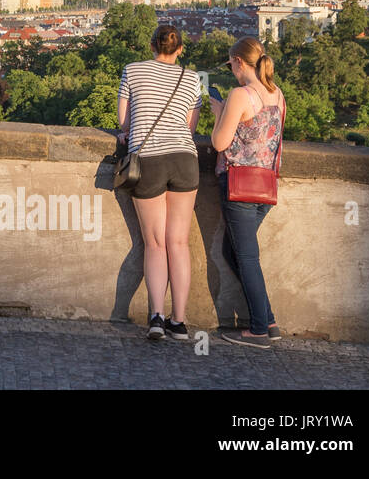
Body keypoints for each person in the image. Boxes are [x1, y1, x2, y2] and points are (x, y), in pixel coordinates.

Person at [117, 23, 201, 341]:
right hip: (184, 158)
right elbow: (190, 127)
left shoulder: (132, 71)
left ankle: (156, 317)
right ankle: (179, 322)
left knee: (154, 244)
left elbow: (123, 123)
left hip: (148, 159)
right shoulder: (192, 78)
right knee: (178, 243)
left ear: (152, 46)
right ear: (179, 49)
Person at [210, 36, 285, 349]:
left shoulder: (240, 95)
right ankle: (267, 320)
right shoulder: (277, 93)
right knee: (235, 252)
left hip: (240, 186)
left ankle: (258, 330)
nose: (231, 70)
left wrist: (219, 110)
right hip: (265, 184)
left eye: (231, 64)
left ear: (238, 61)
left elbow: (219, 142)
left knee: (247, 257)